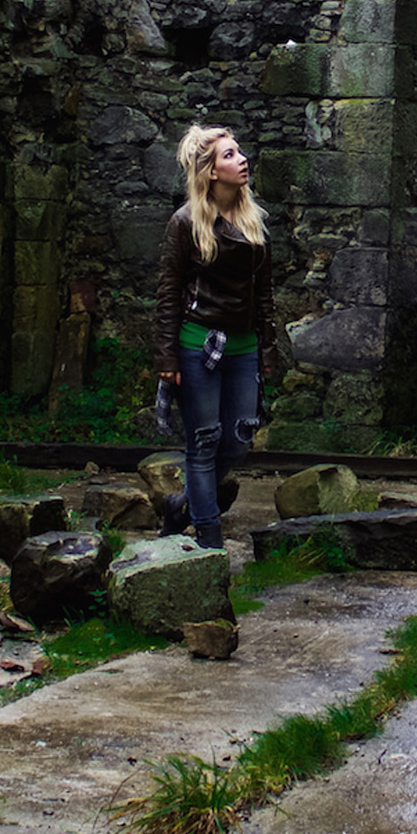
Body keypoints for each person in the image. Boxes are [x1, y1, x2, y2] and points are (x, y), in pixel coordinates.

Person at [154, 123, 276, 550]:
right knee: (202, 443)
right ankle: (210, 539)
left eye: (239, 152)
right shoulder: (185, 222)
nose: (241, 159)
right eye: (229, 155)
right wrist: (167, 359)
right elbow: (168, 293)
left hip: (243, 346)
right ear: (209, 171)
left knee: (239, 440)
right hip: (197, 343)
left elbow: (264, 291)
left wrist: (268, 348)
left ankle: (182, 505)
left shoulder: (254, 221)